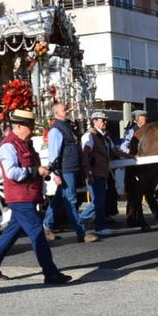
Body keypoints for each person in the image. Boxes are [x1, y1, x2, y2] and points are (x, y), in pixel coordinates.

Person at [0, 109, 72, 285]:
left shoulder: (25, 143)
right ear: (20, 126)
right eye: (30, 126)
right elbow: (12, 173)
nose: (32, 130)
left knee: (14, 229)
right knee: (38, 233)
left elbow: (29, 167)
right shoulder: (8, 146)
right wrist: (35, 171)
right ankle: (50, 273)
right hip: (20, 197)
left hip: (27, 196)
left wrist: (41, 171)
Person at [42, 101, 98, 243]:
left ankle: (46, 226)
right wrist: (55, 172)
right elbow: (54, 153)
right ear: (56, 113)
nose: (67, 110)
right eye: (64, 109)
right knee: (71, 200)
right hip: (66, 169)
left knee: (60, 198)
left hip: (72, 167)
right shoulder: (56, 130)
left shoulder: (67, 127)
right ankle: (81, 232)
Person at [123, 109, 158, 231]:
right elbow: (124, 146)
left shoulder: (149, 130)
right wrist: (131, 155)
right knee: (136, 190)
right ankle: (133, 217)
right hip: (135, 162)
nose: (145, 119)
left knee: (147, 191)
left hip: (145, 162)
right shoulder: (132, 131)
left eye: (145, 117)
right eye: (142, 117)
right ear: (137, 119)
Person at [80, 110, 115, 236]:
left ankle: (98, 226)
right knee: (97, 202)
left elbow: (114, 150)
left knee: (100, 201)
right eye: (102, 120)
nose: (105, 122)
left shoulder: (104, 136)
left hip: (101, 173)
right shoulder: (89, 136)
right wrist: (89, 172)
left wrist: (130, 156)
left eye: (105, 120)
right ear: (94, 121)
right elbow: (86, 154)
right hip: (94, 173)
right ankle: (80, 221)